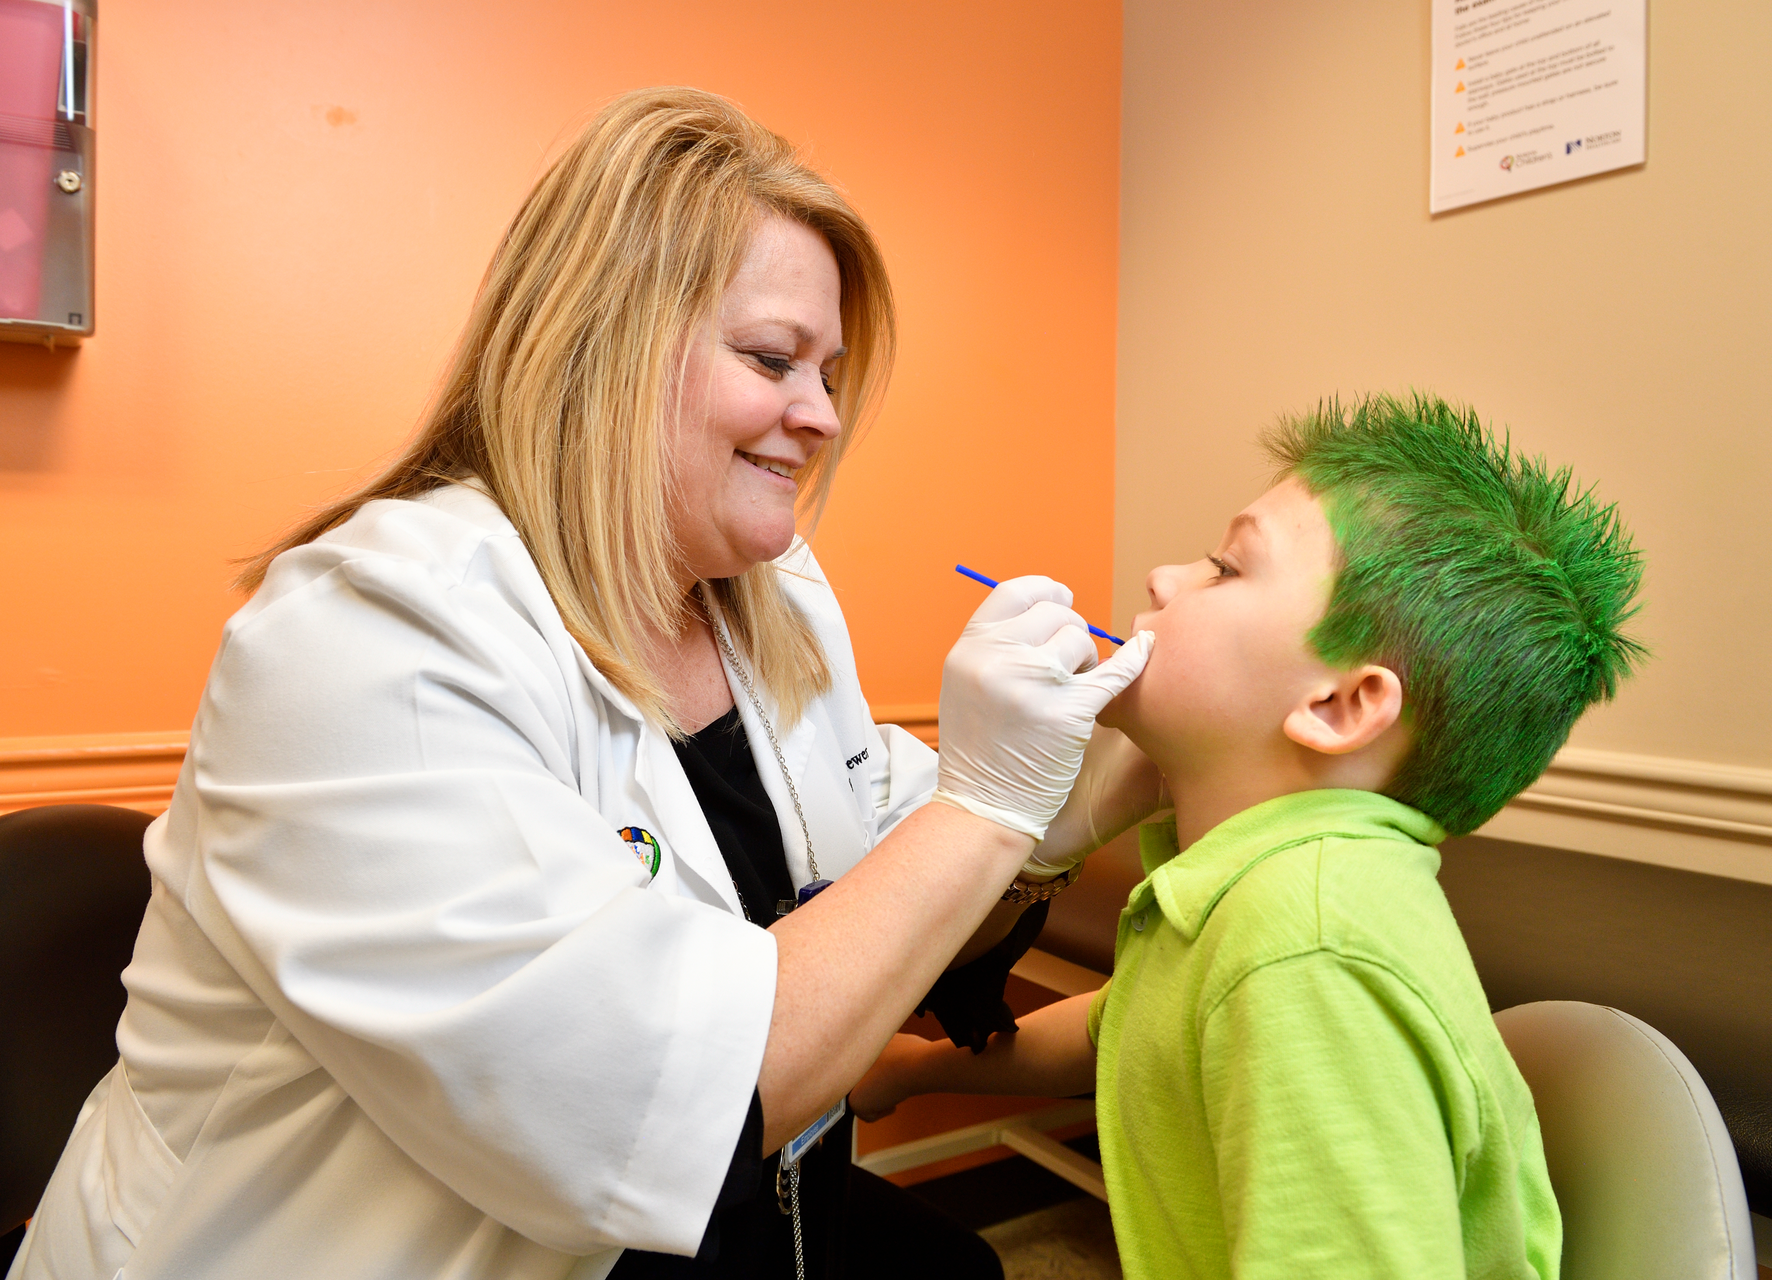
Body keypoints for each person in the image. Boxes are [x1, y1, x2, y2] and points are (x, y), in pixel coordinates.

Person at [9, 89, 1161, 1280]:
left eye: (832, 371)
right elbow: (652, 1087)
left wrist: (1084, 791)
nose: (820, 417)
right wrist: (987, 806)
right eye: (773, 359)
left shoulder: (766, 591)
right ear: (602, 343)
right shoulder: (376, 635)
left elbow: (864, 858)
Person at [851, 394, 1648, 1278]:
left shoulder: (1305, 954)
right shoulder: (1259, 892)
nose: (1162, 578)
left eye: (1226, 569)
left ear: (1340, 706)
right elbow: (1128, 1029)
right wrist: (917, 1068)